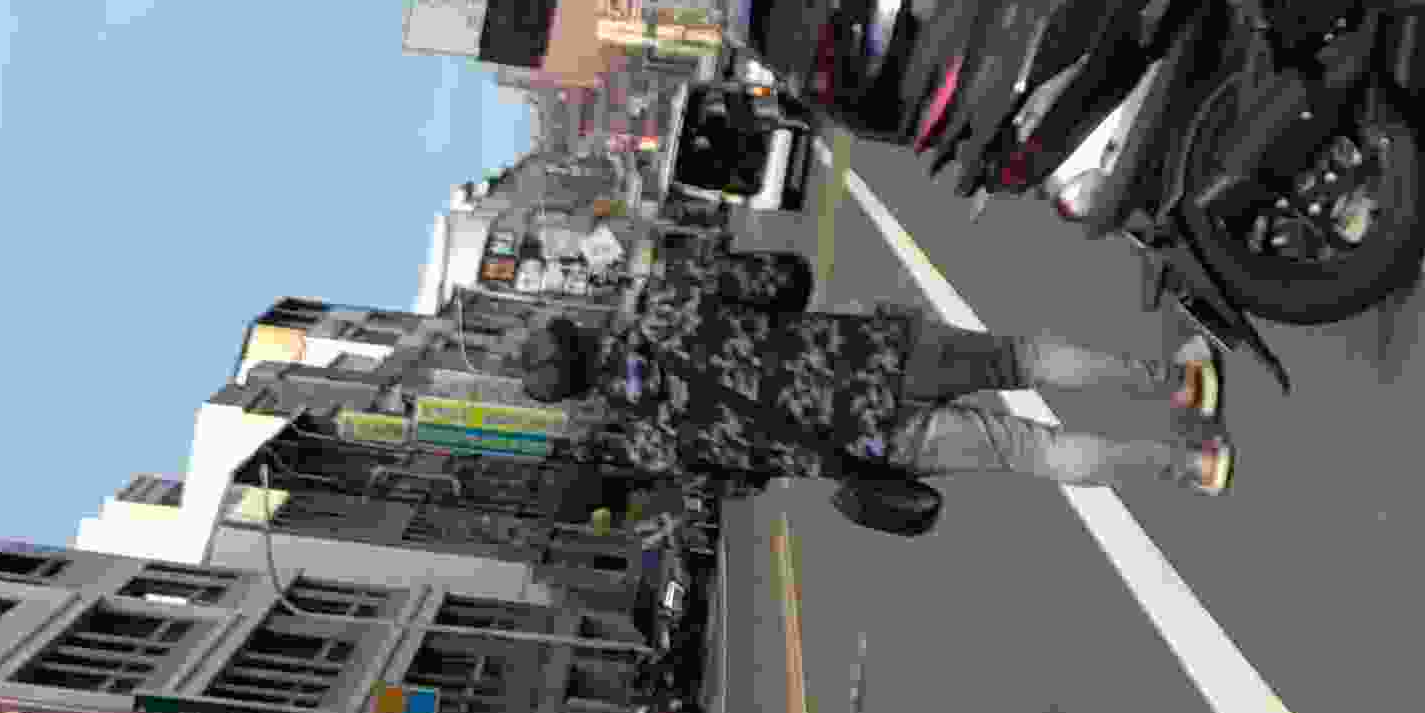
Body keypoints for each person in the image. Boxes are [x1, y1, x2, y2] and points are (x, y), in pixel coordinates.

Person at [516, 259, 1229, 498]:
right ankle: (1180, 383)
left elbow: (739, 483)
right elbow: (786, 278)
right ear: (584, 331)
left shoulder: (646, 442)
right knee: (1020, 359)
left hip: (868, 441)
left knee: (1030, 451)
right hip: (877, 354)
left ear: (580, 392)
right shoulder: (666, 301)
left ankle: (1192, 465)